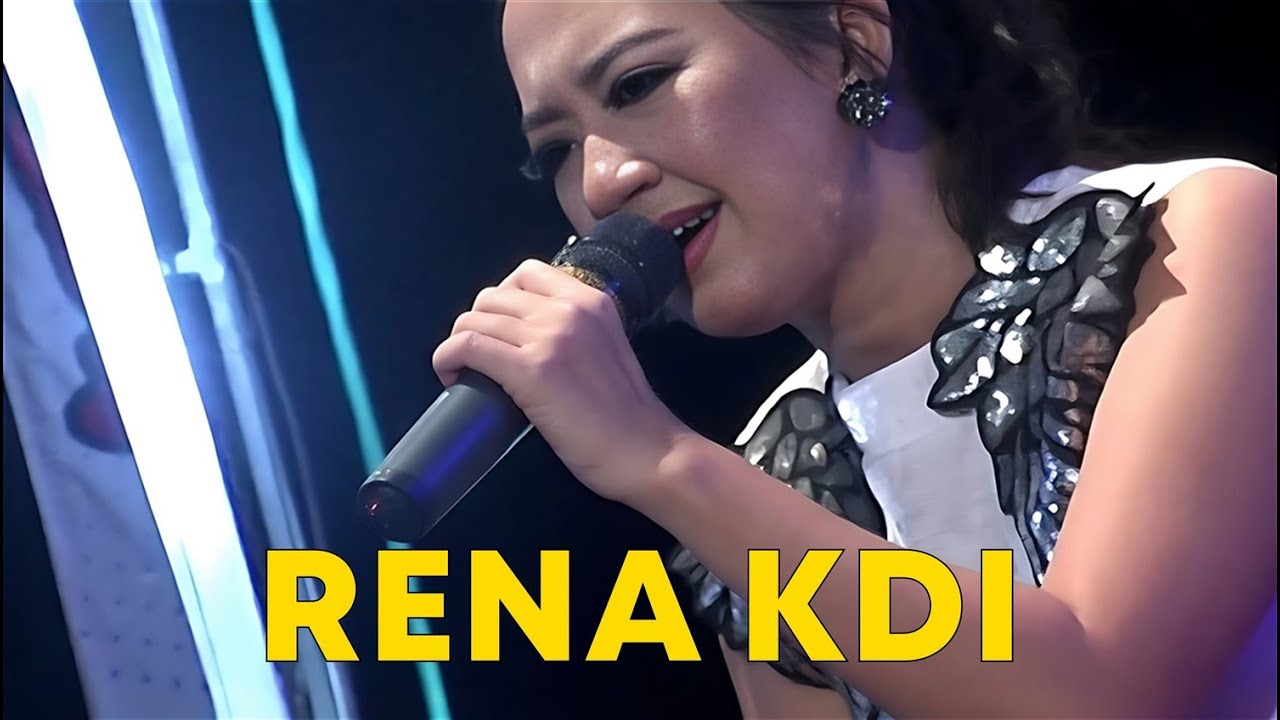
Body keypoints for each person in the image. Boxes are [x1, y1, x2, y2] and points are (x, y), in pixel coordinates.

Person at [432, 2, 1277, 717]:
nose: (601, 182)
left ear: (852, 41)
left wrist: (658, 458)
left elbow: (1098, 691)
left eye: (636, 84)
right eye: (557, 151)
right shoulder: (772, 472)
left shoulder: (1185, 236)